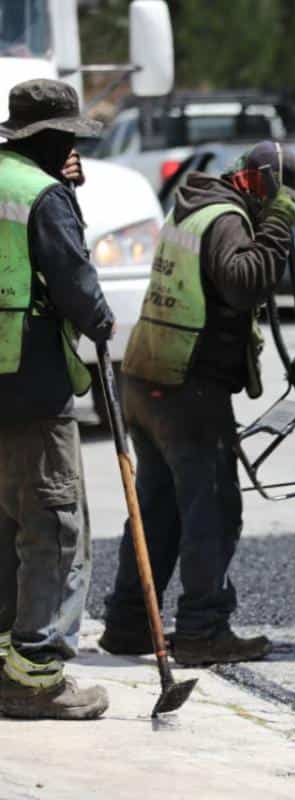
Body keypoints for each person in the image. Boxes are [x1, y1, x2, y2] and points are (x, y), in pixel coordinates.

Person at [100, 141, 295, 666]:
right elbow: (244, 283)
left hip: (148, 378)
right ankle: (202, 630)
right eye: (279, 199)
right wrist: (278, 223)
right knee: (212, 509)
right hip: (185, 388)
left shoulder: (192, 206)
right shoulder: (226, 219)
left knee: (159, 510)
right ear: (261, 186)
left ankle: (128, 625)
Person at [0, 79, 114, 720]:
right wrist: (101, 321)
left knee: (4, 529)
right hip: (33, 387)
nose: (73, 146)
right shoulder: (40, 195)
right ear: (47, 138)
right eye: (67, 136)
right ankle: (36, 675)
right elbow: (73, 279)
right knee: (52, 529)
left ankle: (5, 664)